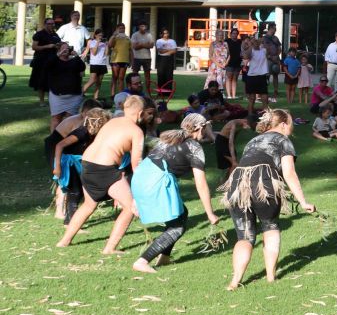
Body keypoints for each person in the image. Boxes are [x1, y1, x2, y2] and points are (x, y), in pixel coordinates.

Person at [220, 109, 315, 289]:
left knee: (244, 236)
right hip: (263, 183)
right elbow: (289, 172)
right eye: (291, 122)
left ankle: (235, 281)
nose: (292, 126)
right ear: (283, 124)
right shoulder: (283, 140)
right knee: (270, 227)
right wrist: (303, 201)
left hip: (238, 184)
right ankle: (271, 277)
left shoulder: (253, 140)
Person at [130, 114, 219, 274]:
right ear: (200, 128)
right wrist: (210, 213)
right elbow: (201, 184)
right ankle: (142, 261)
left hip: (141, 177)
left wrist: (135, 197)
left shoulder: (170, 138)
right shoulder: (194, 147)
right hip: (156, 182)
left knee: (182, 215)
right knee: (177, 227)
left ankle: (164, 256)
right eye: (206, 128)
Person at [57, 96, 146, 250]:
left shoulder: (111, 122)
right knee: (129, 207)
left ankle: (64, 241)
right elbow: (136, 164)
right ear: (140, 113)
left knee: (88, 204)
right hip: (104, 169)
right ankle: (109, 248)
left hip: (86, 164)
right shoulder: (136, 131)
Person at [49, 105, 109, 223]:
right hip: (69, 164)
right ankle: (70, 222)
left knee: (78, 191)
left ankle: (69, 221)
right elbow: (59, 145)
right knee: (75, 192)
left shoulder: (92, 134)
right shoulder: (82, 132)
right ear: (97, 123)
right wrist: (57, 167)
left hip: (77, 163)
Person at [47, 43, 87, 130]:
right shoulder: (54, 61)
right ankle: (53, 141)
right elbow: (47, 65)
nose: (65, 50)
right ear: (58, 50)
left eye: (67, 48)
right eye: (63, 48)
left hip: (74, 96)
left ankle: (69, 141)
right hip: (57, 96)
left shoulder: (74, 61)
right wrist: (58, 54)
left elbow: (82, 67)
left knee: (71, 120)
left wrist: (77, 56)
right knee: (56, 119)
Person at [29, 16, 62, 106]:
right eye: (49, 24)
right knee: (41, 81)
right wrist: (47, 46)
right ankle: (41, 101)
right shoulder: (39, 34)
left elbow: (58, 44)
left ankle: (52, 100)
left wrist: (59, 46)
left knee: (53, 81)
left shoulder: (55, 35)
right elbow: (34, 47)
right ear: (45, 24)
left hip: (53, 60)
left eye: (53, 24)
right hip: (41, 61)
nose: (51, 25)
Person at [215, 114, 253, 183]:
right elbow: (230, 142)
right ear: (245, 121)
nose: (248, 127)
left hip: (226, 142)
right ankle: (229, 183)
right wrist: (234, 158)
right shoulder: (234, 124)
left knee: (232, 165)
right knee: (234, 163)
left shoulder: (240, 125)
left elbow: (234, 138)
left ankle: (224, 182)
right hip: (222, 142)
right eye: (248, 124)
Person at [243, 37, 270, 110]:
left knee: (264, 97)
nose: (256, 43)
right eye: (254, 42)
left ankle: (266, 113)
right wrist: (251, 45)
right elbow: (245, 56)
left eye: (257, 41)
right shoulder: (251, 51)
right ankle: (250, 114)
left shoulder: (263, 50)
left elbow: (269, 49)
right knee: (252, 98)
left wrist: (262, 41)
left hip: (262, 76)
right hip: (252, 76)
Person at [81, 28, 108, 97]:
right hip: (94, 63)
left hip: (102, 64)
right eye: (99, 35)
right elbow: (94, 53)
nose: (100, 37)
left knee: (99, 82)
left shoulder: (103, 43)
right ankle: (81, 92)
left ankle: (96, 97)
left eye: (101, 36)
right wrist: (98, 43)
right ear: (95, 35)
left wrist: (107, 45)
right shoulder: (91, 42)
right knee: (92, 80)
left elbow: (106, 54)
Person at [107, 23, 131, 98]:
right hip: (115, 60)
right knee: (115, 77)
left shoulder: (127, 38)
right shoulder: (114, 37)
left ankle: (121, 95)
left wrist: (131, 60)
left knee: (121, 78)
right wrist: (114, 35)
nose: (122, 30)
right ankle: (112, 94)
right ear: (117, 29)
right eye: (120, 28)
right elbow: (110, 45)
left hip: (125, 60)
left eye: (123, 28)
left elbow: (130, 50)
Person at [262, 23, 283, 100]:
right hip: (267, 59)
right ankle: (265, 91)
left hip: (275, 59)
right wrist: (269, 56)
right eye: (274, 28)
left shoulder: (276, 38)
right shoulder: (264, 38)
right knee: (267, 75)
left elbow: (279, 48)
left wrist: (276, 56)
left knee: (275, 75)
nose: (276, 30)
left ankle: (276, 90)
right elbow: (262, 49)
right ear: (270, 28)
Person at [153, 28, 177, 93]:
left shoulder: (172, 41)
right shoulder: (159, 41)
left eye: (167, 33)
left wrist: (166, 51)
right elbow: (160, 51)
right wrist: (169, 49)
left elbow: (174, 50)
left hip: (169, 59)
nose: (166, 34)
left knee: (169, 75)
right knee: (161, 75)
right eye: (164, 33)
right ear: (162, 34)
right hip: (161, 59)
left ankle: (168, 92)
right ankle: (161, 91)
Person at [224, 28, 242, 99]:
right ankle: (229, 95)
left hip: (237, 63)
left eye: (236, 33)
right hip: (229, 63)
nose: (234, 35)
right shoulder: (227, 41)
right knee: (229, 78)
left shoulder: (240, 42)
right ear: (230, 34)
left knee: (235, 79)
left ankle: (234, 95)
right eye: (233, 33)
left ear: (237, 35)